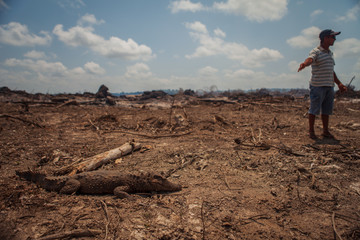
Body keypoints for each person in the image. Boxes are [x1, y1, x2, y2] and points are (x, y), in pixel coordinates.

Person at [298, 29, 347, 140]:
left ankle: (325, 131)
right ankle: (311, 131)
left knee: (326, 110)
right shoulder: (316, 51)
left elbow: (331, 71)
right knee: (314, 109)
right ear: (326, 38)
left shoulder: (330, 53)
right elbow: (310, 59)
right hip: (317, 85)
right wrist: (304, 64)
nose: (334, 39)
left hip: (329, 86)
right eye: (333, 37)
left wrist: (339, 83)